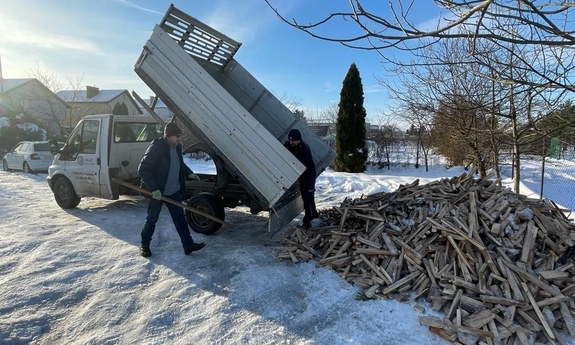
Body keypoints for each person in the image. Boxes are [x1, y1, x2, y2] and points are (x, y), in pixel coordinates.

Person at [137, 122, 205, 257]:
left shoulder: (177, 147)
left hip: (174, 191)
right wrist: (154, 189)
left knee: (180, 219)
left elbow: (180, 164)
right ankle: (144, 245)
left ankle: (188, 245)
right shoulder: (156, 148)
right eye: (177, 136)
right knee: (152, 219)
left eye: (180, 136)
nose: (180, 139)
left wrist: (189, 173)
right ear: (168, 136)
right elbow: (143, 169)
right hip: (159, 193)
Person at [284, 128, 319, 229]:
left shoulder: (303, 149)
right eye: (290, 140)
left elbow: (297, 163)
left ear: (299, 139)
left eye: (294, 140)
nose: (291, 142)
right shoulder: (292, 145)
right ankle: (314, 213)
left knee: (308, 197)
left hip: (309, 176)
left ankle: (308, 219)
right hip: (302, 176)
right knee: (306, 196)